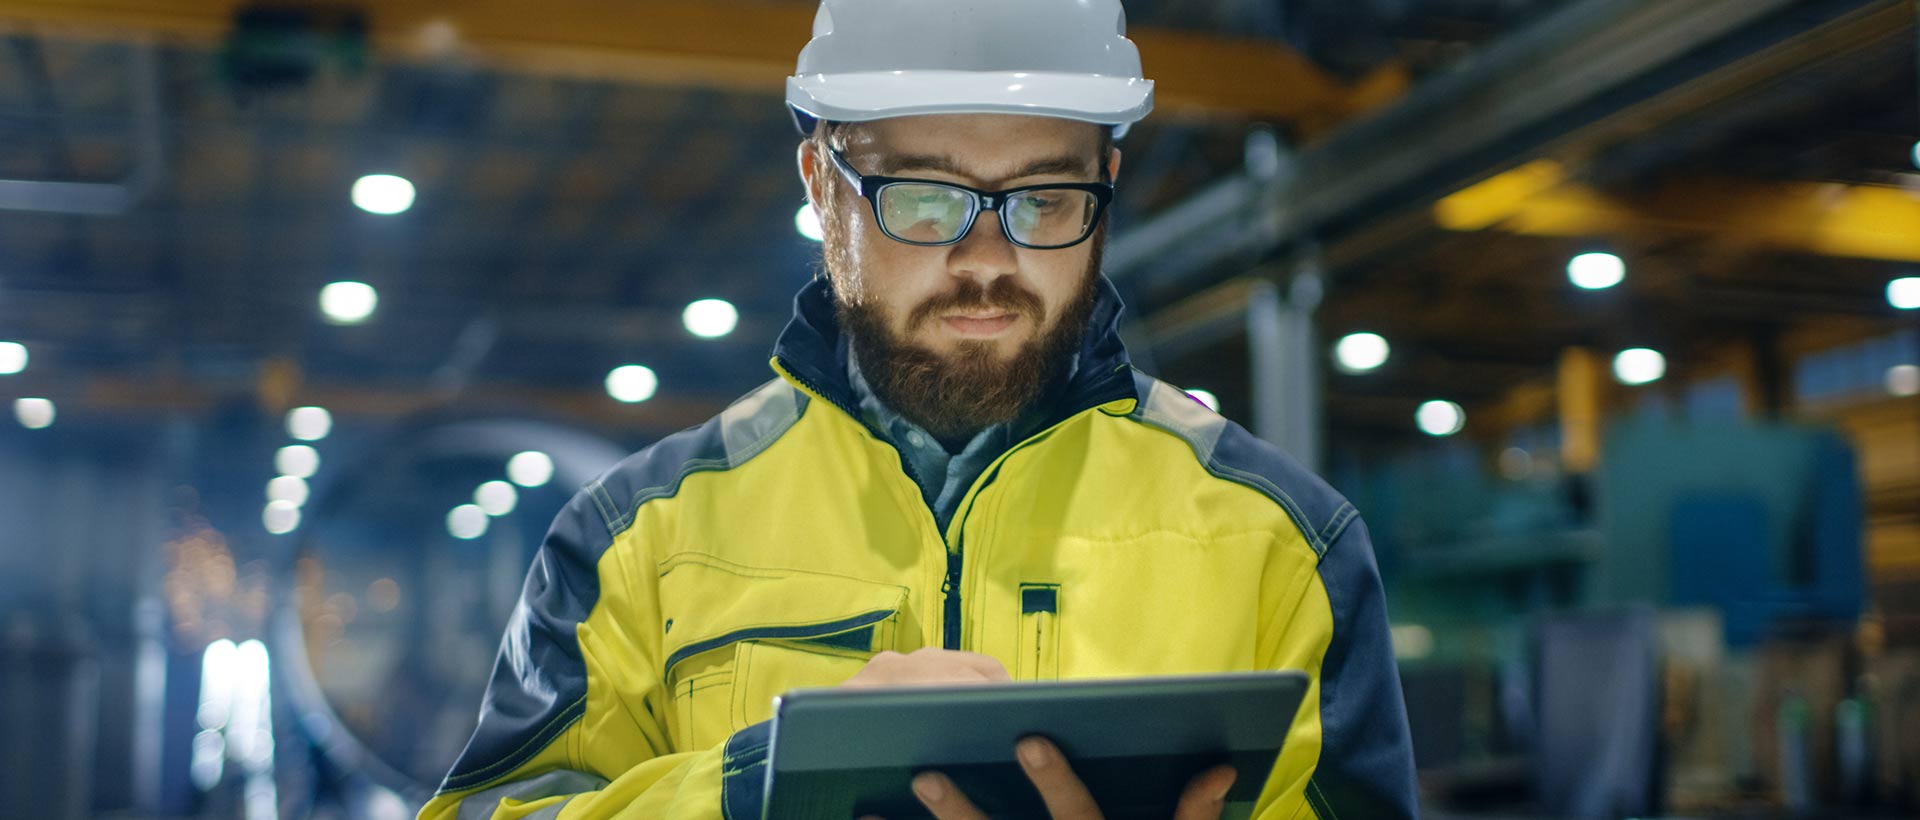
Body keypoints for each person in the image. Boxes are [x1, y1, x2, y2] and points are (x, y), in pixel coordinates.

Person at [420, 0, 1416, 817]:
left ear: (1105, 182)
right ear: (822, 182)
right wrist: (753, 790)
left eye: (1044, 200)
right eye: (927, 198)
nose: (987, 258)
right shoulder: (637, 541)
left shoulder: (1281, 546)